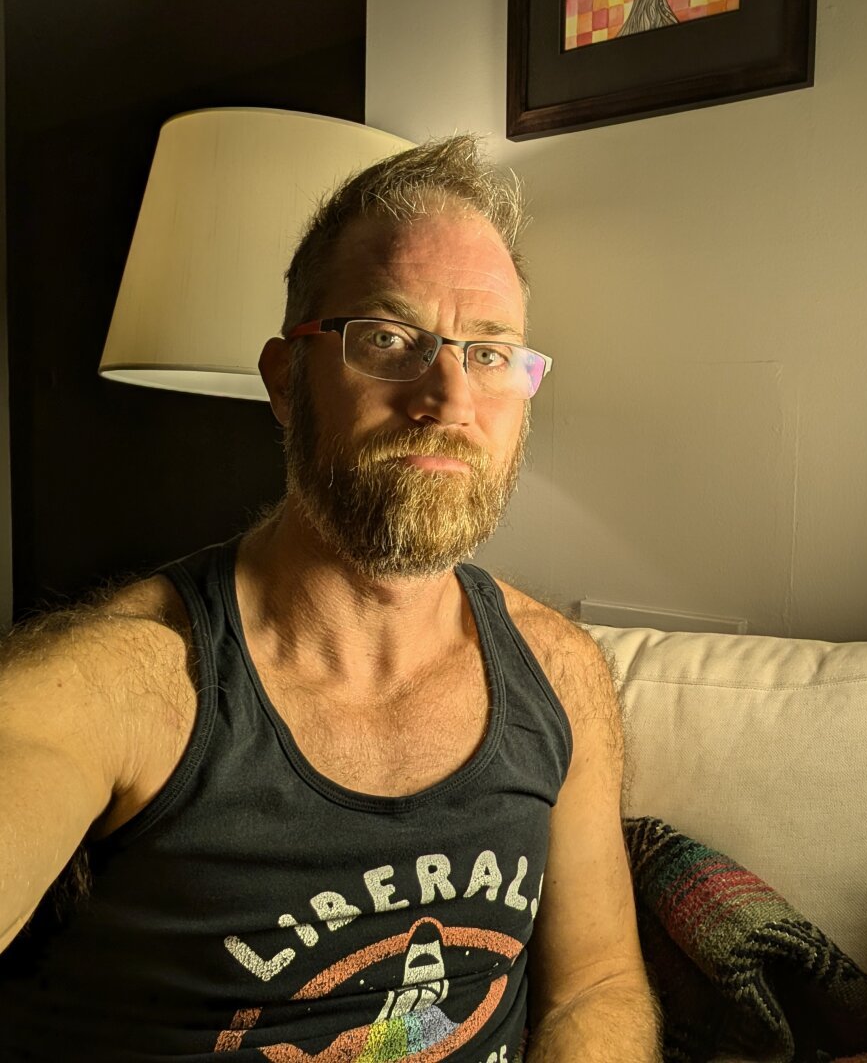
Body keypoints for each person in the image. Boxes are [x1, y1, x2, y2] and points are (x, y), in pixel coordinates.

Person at [0, 135, 660, 1061]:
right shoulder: (119, 684)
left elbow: (596, 987)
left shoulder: (563, 674)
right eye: (389, 340)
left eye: (490, 352)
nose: (447, 395)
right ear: (284, 380)